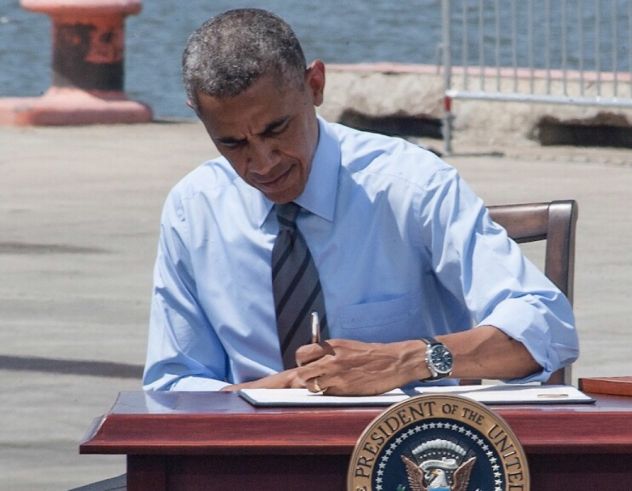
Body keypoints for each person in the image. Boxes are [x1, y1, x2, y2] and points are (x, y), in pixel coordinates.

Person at [142, 8, 578, 396]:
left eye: (277, 130)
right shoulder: (193, 209)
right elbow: (172, 389)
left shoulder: (411, 185)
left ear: (315, 85)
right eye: (232, 143)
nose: (262, 162)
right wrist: (288, 387)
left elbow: (545, 327)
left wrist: (406, 360)